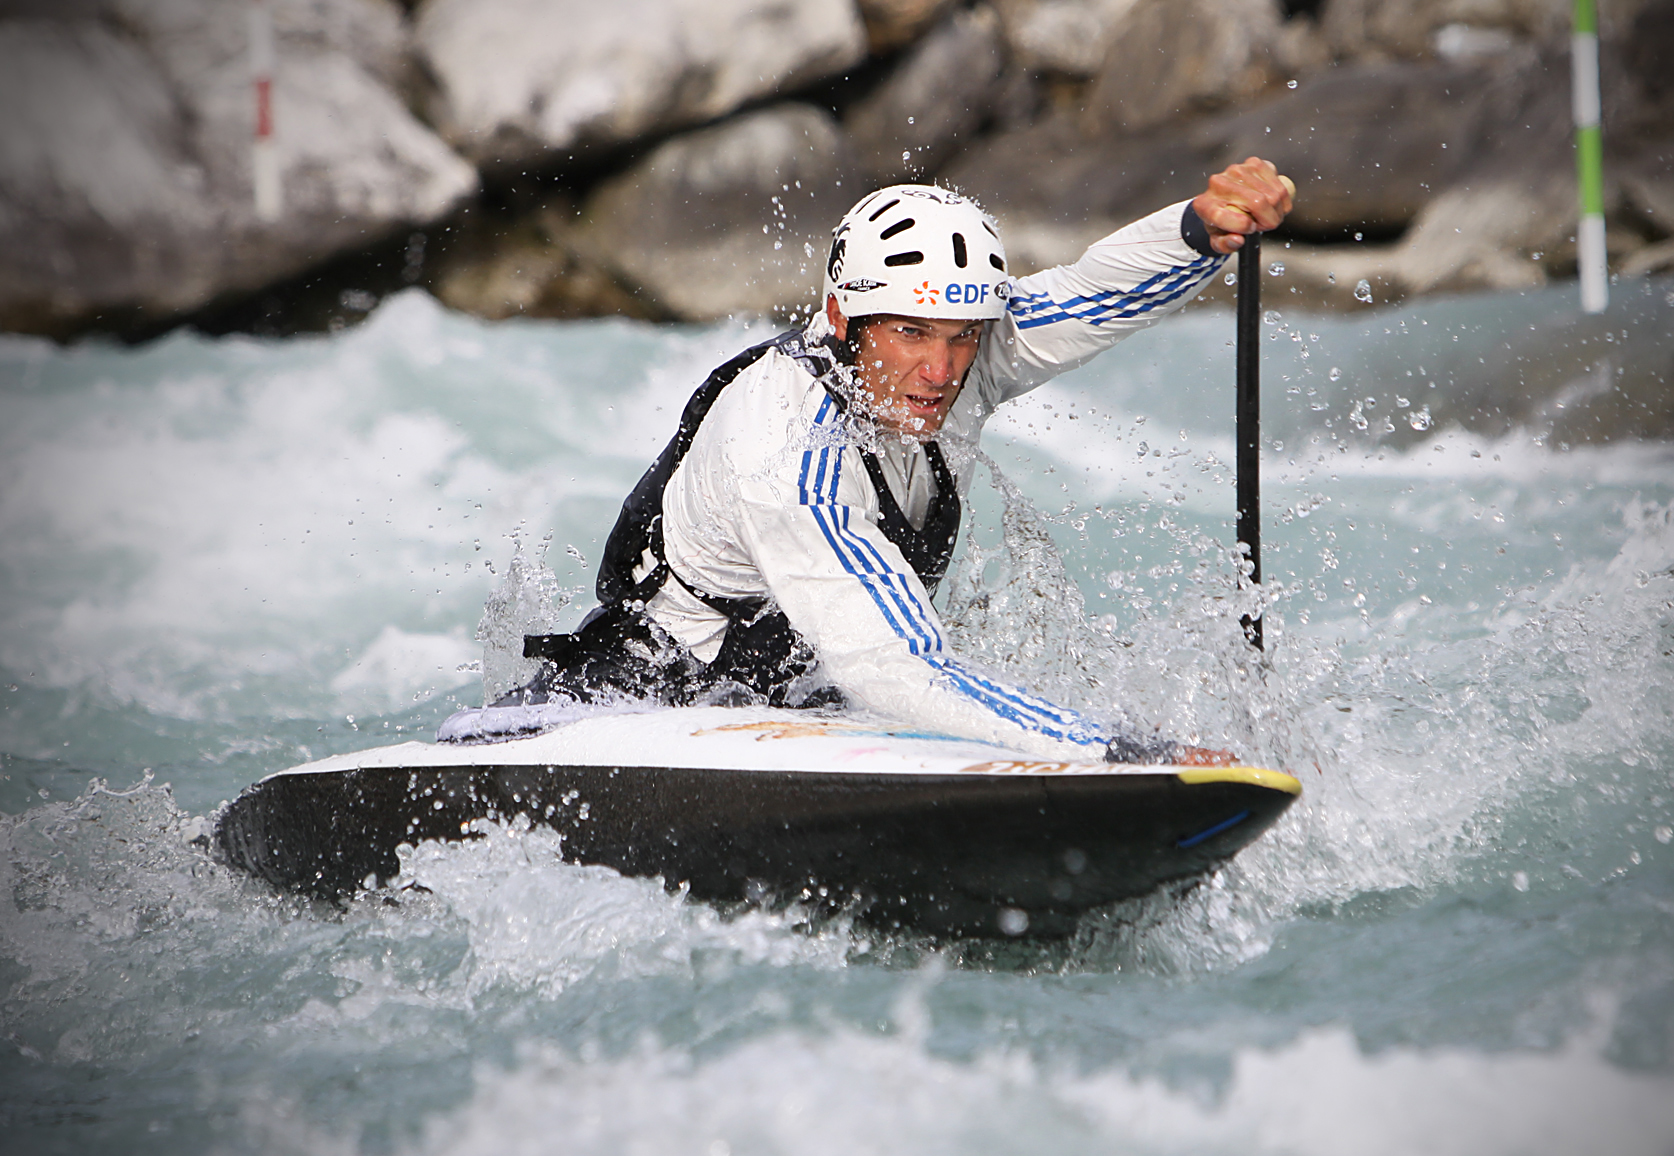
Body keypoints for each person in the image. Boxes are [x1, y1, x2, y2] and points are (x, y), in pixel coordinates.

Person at [514, 159, 1295, 763]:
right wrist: (1116, 753)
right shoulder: (786, 450)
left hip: (796, 699)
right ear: (841, 319)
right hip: (645, 703)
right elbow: (897, 670)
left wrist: (1198, 229)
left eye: (961, 336)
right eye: (912, 334)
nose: (942, 369)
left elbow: (1089, 296)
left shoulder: (963, 356)